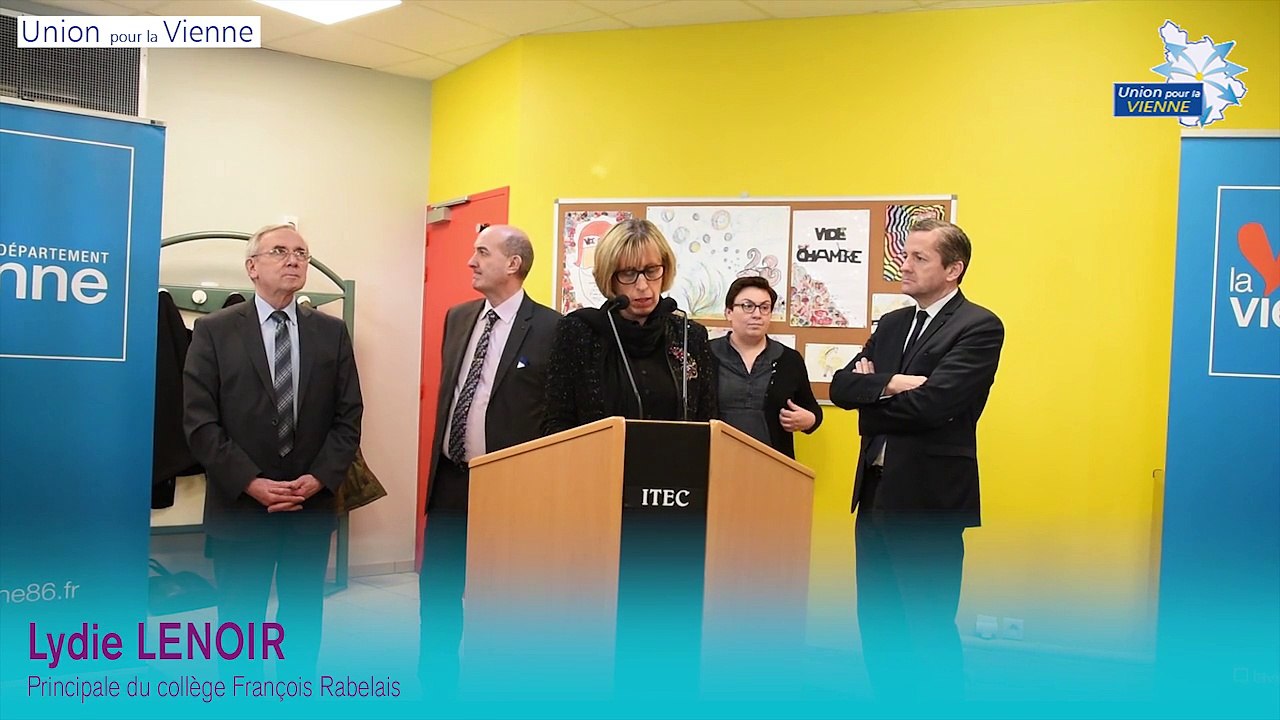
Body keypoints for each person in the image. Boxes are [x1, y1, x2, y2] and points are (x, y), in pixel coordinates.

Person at [829, 218, 1003, 702]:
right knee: (878, 623)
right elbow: (840, 386)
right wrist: (890, 383)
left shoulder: (979, 326)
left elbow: (935, 405)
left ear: (953, 269)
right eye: (904, 255)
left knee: (926, 627)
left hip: (929, 500)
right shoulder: (893, 324)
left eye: (918, 258)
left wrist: (871, 397)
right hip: (875, 494)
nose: (903, 265)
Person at [184, 223, 363, 680]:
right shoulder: (214, 330)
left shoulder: (331, 332)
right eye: (280, 251)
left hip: (309, 504)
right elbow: (200, 422)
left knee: (302, 617)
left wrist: (320, 477)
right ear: (252, 267)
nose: (294, 260)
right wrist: (250, 481)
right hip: (242, 506)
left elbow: (349, 416)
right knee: (240, 621)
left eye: (302, 253)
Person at [419, 224, 560, 694]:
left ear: (513, 264)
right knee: (438, 593)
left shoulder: (553, 329)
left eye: (482, 252)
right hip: (450, 480)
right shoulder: (458, 317)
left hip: (511, 489)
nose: (471, 261)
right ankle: (436, 686)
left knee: (506, 597)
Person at [542, 218, 717, 434]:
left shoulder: (690, 335)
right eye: (628, 273)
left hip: (676, 455)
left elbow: (708, 421)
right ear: (609, 278)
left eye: (651, 270)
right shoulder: (579, 331)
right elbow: (556, 422)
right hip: (600, 456)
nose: (642, 286)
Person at [709, 276, 821, 459]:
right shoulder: (706, 354)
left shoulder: (789, 359)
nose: (757, 314)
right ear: (728, 312)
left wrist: (809, 420)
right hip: (715, 460)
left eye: (764, 307)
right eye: (747, 306)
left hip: (773, 463)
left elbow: (812, 410)